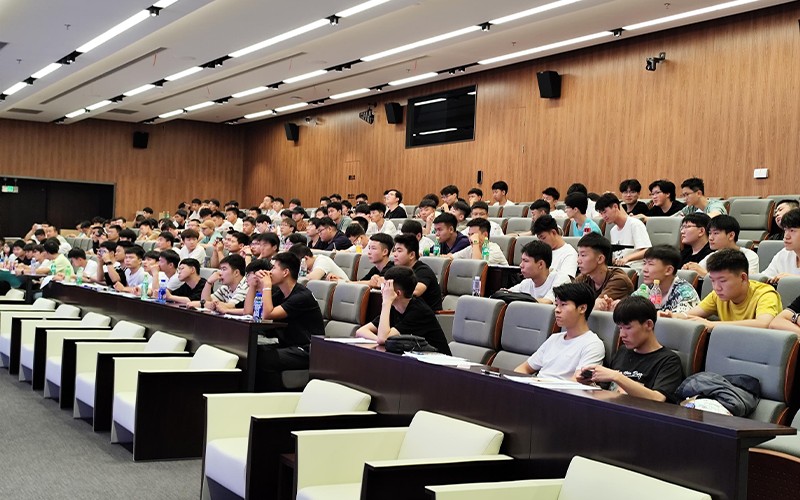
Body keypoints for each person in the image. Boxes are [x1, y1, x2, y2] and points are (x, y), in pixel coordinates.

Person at [577, 296, 684, 403]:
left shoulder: (669, 361)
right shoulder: (622, 352)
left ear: (648, 325)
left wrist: (616, 376)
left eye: (628, 328)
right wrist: (589, 383)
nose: (622, 335)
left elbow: (658, 399)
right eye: (620, 328)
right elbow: (605, 391)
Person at [246, 252, 325, 391]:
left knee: (265, 359)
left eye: (274, 268)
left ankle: (271, 397)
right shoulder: (281, 293)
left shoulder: (302, 296)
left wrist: (267, 286)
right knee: (251, 352)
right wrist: (253, 285)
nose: (269, 272)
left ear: (285, 272)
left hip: (307, 349)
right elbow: (250, 311)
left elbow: (268, 314)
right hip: (287, 345)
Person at [666, 248, 781, 330]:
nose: (716, 287)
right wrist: (674, 316)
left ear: (743, 278)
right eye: (712, 280)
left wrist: (713, 325)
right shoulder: (717, 295)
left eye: (723, 281)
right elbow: (691, 315)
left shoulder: (765, 294)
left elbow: (764, 324)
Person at [513, 283, 606, 379]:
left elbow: (577, 382)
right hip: (536, 385)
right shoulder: (554, 338)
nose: (557, 310)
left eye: (563, 305)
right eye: (556, 305)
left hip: (559, 388)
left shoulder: (592, 344)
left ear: (582, 308)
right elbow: (524, 368)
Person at [356, 266, 451, 354]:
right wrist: (378, 339)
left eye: (386, 286)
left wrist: (386, 302)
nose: (382, 290)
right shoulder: (395, 308)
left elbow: (383, 338)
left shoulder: (419, 312)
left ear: (397, 293)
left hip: (437, 362)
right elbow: (361, 331)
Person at [600, 245, 700, 314]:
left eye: (650, 264)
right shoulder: (647, 288)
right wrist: (615, 306)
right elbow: (630, 306)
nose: (644, 269)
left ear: (668, 270)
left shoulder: (685, 292)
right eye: (644, 263)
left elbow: (678, 322)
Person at [687, 215, 759, 278]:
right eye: (710, 233)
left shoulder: (750, 256)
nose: (710, 238)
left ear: (731, 235)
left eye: (716, 233)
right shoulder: (712, 256)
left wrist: (705, 275)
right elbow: (698, 270)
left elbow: (748, 282)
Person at [575, 233, 634, 307]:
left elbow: (597, 306)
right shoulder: (583, 278)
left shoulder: (619, 280)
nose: (578, 260)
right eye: (578, 255)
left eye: (583, 255)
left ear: (600, 259)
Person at [595, 193, 652, 269]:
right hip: (619, 268)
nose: (603, 216)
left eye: (605, 212)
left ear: (615, 207)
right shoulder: (613, 231)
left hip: (635, 268)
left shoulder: (635, 224)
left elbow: (647, 250)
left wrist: (627, 258)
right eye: (601, 213)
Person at [506, 241, 571, 303]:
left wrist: (519, 299)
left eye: (525, 261)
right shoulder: (526, 283)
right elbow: (506, 294)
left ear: (540, 264)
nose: (521, 265)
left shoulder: (561, 279)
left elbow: (547, 302)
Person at [393, 234, 443, 310]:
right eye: (394, 250)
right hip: (408, 311)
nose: (395, 254)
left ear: (412, 255)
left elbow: (415, 292)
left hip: (426, 314)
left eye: (399, 251)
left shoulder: (423, 271)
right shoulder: (399, 270)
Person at [762, 208, 800, 284]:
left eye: (792, 230)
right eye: (785, 230)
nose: (786, 236)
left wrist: (793, 279)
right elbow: (765, 277)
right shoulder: (783, 254)